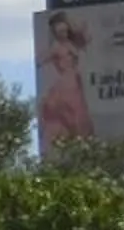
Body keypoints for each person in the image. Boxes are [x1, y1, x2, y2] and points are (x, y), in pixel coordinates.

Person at [37, 14, 95, 145]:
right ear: (55, 33)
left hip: (75, 80)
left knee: (79, 110)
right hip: (66, 82)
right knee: (72, 110)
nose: (63, 34)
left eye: (65, 31)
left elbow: (87, 38)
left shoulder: (70, 43)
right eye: (59, 32)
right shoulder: (56, 47)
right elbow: (41, 59)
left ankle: (80, 140)